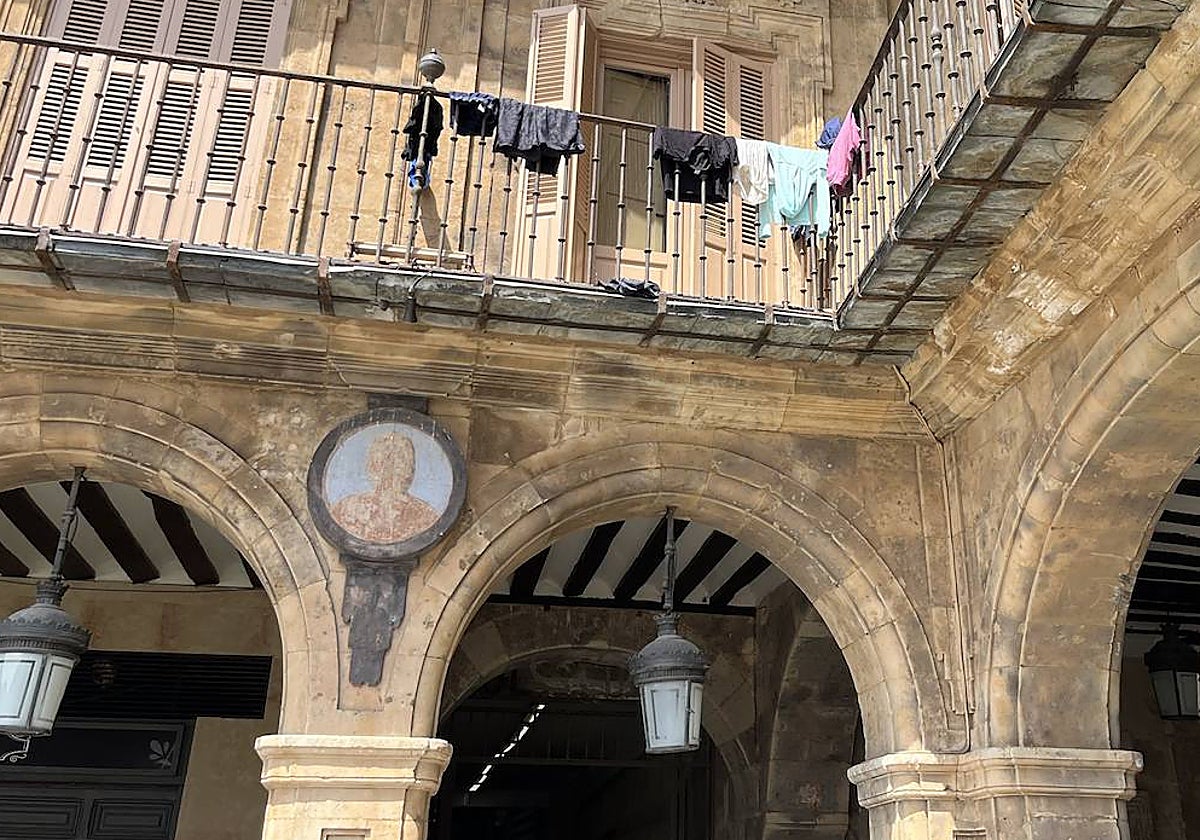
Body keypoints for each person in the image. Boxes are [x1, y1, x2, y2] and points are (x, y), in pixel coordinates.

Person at [331, 431, 440, 542]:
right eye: (385, 462)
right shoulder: (348, 508)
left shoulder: (424, 515)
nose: (405, 471)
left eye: (405, 462)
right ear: (373, 466)